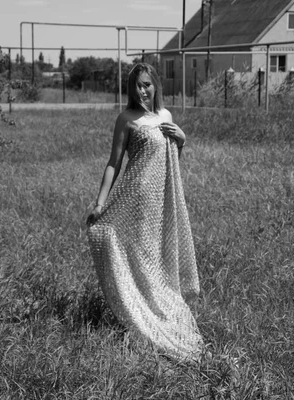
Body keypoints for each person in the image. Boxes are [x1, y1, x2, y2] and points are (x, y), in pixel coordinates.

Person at [86, 63, 203, 361]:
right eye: (137, 85)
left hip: (162, 201)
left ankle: (160, 309)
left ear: (156, 86)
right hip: (135, 200)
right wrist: (100, 203)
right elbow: (114, 162)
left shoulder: (166, 117)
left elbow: (171, 161)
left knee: (159, 256)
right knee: (139, 257)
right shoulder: (126, 119)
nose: (142, 90)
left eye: (147, 84)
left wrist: (182, 139)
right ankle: (138, 314)